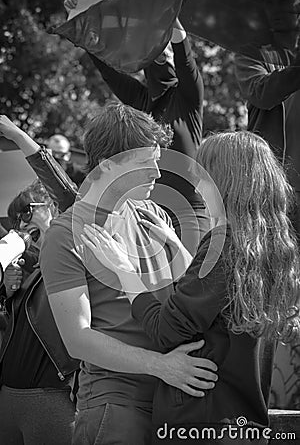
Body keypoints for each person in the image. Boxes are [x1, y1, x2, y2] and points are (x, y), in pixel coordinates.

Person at [1, 105, 218, 445]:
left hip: (172, 399)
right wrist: (162, 365)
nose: (157, 173)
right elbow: (79, 339)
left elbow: (189, 294)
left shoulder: (151, 212)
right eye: (146, 163)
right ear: (107, 166)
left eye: (158, 160)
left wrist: (176, 246)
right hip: (116, 408)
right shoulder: (65, 234)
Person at [82, 131, 300, 444]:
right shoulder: (272, 246)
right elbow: (216, 304)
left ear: (226, 181)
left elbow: (165, 329)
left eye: (203, 176)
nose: (197, 186)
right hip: (244, 422)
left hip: (200, 422)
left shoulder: (225, 243)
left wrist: (123, 270)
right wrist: (175, 244)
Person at [64, 0, 209, 255]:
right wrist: (83, 21)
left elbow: (186, 60)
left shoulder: (189, 97)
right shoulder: (143, 103)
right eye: (151, 54)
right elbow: (109, 70)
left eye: (163, 51)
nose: (158, 59)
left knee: (187, 281)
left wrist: (164, 12)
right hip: (147, 213)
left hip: (188, 213)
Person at [0, 180, 79, 445]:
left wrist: (16, 136)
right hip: (9, 397)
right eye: (15, 220)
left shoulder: (74, 258)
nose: (21, 224)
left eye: (26, 212)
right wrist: (7, 297)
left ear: (55, 207)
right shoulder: (24, 270)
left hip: (52, 398)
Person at [234, 0, 300, 242]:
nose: (279, 9)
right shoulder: (251, 53)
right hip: (273, 187)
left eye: (287, 2)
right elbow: (261, 94)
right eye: (272, 3)